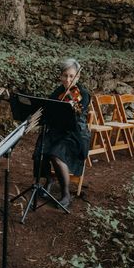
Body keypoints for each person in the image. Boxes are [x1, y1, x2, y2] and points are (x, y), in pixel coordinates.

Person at [34, 58, 91, 209]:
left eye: (71, 76)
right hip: (57, 130)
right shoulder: (57, 92)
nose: (68, 79)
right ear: (60, 76)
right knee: (42, 147)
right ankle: (48, 180)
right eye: (65, 75)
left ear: (77, 77)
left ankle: (66, 193)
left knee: (56, 154)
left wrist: (72, 107)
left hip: (75, 134)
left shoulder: (83, 94)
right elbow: (48, 110)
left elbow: (77, 116)